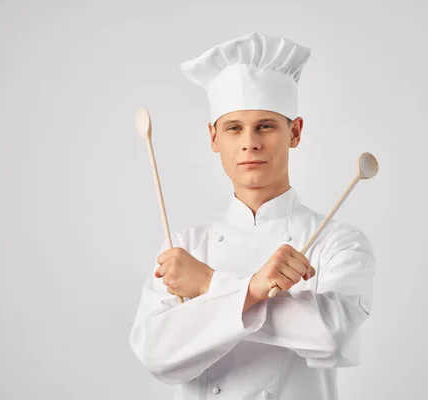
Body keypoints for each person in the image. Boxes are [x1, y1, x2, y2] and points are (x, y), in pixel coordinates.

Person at [129, 32, 376, 400]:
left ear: (294, 132)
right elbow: (156, 353)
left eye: (265, 126)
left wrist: (210, 285)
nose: (250, 143)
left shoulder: (337, 241)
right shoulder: (182, 247)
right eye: (233, 128)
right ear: (214, 138)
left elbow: (328, 336)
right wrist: (253, 288)